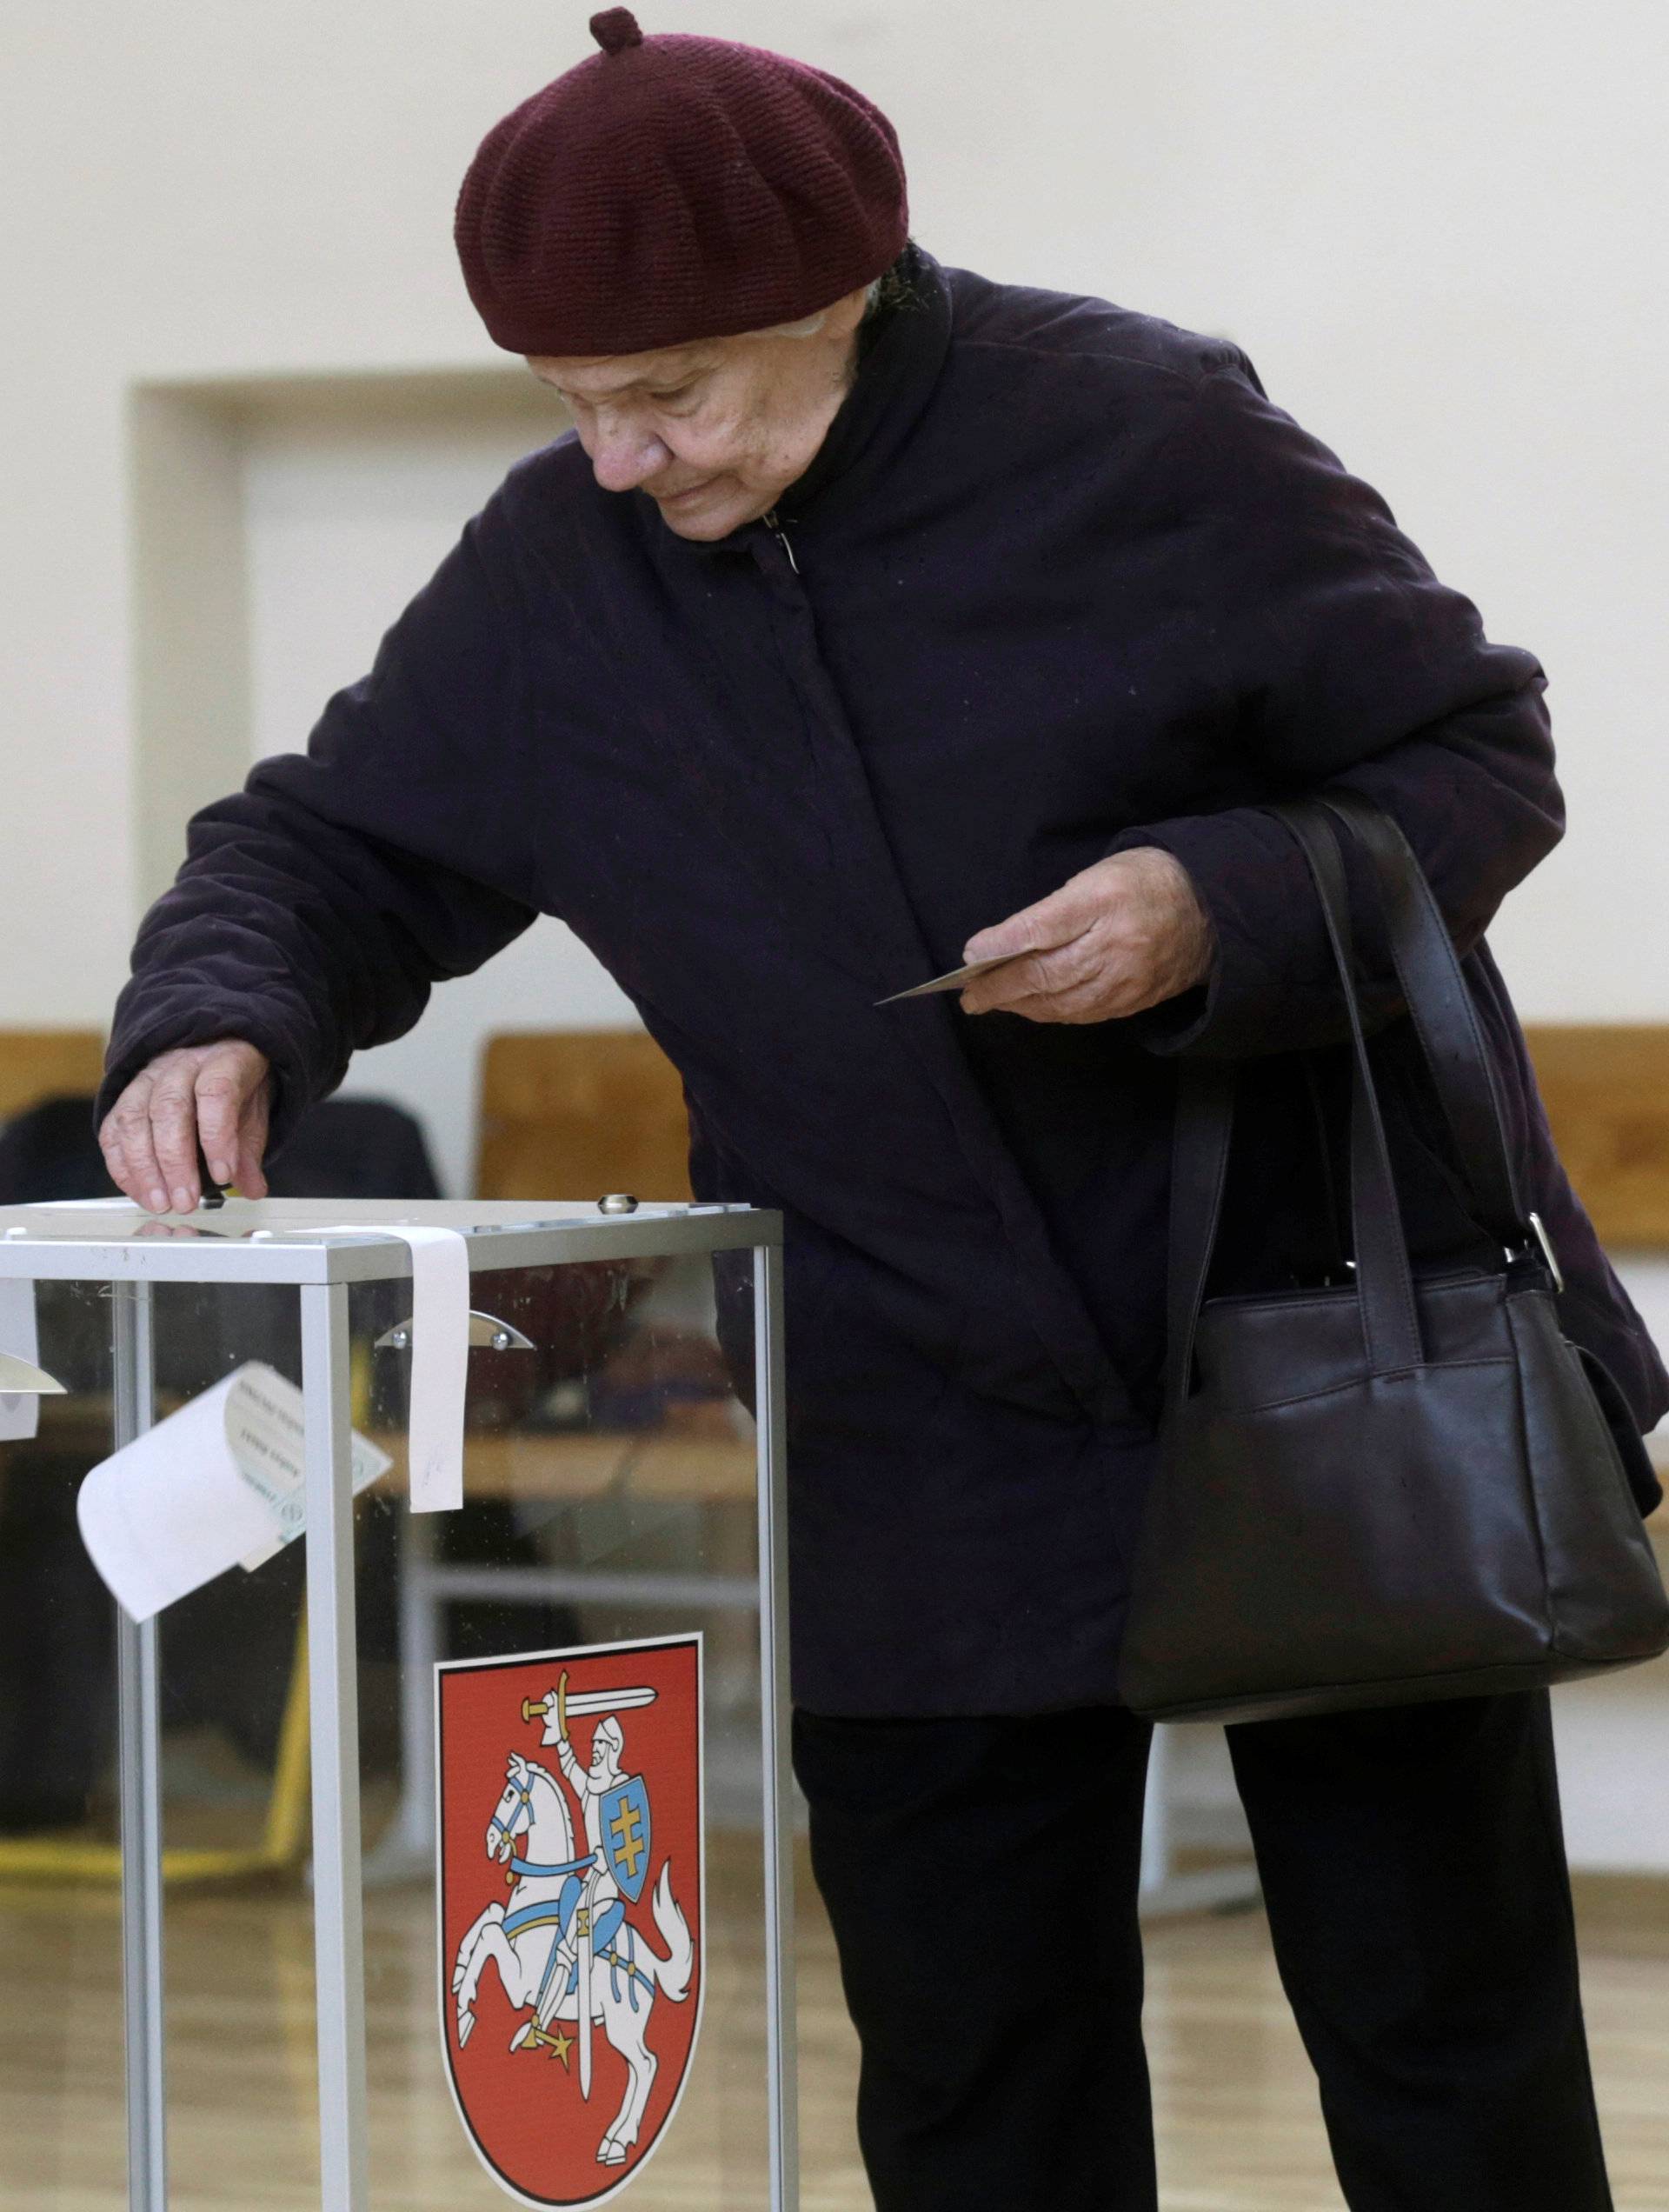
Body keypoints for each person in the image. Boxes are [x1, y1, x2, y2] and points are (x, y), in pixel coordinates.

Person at [97, 15, 1667, 2208]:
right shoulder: (563, 572)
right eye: (574, 408)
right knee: (968, 2077)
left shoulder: (1146, 435)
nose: (626, 463)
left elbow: (1477, 761)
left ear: (847, 298)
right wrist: (215, 1018)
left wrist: (1204, 904)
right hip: (908, 1410)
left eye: (675, 398)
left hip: (1305, 1357)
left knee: (1442, 2040)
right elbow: (323, 850)